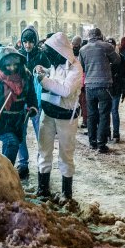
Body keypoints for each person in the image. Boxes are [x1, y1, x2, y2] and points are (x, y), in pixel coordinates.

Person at [34, 32, 82, 199]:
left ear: (59, 51)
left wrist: (43, 80)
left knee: (66, 154)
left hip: (66, 117)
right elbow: (56, 75)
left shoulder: (76, 68)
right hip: (48, 113)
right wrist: (44, 70)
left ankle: (66, 193)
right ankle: (43, 188)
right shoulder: (56, 64)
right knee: (44, 150)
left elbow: (65, 89)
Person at [0, 47, 38, 165]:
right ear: (1, 64)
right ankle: (5, 172)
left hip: (19, 119)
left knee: (15, 143)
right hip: (1, 119)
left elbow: (31, 94)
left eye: (15, 65)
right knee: (11, 142)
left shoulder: (25, 74)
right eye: (8, 65)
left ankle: (6, 170)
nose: (12, 68)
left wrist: (33, 107)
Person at [17, 25, 51, 179]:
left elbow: (51, 73)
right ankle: (23, 164)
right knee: (20, 133)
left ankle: (41, 163)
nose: (27, 45)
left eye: (30, 42)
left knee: (40, 133)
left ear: (35, 42)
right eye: (25, 42)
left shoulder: (42, 56)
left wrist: (43, 71)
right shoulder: (18, 56)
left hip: (38, 101)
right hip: (22, 101)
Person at [79, 28, 120, 153]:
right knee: (104, 115)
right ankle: (101, 144)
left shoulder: (83, 49)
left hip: (89, 86)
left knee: (91, 115)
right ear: (100, 35)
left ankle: (92, 142)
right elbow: (117, 60)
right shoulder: (106, 46)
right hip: (104, 85)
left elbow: (82, 66)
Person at [106, 38, 125, 143]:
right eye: (109, 45)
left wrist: (124, 89)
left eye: (112, 45)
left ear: (115, 46)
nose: (111, 47)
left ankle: (116, 134)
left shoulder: (121, 58)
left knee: (114, 111)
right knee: (105, 111)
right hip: (106, 88)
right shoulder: (104, 57)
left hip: (116, 88)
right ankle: (107, 133)